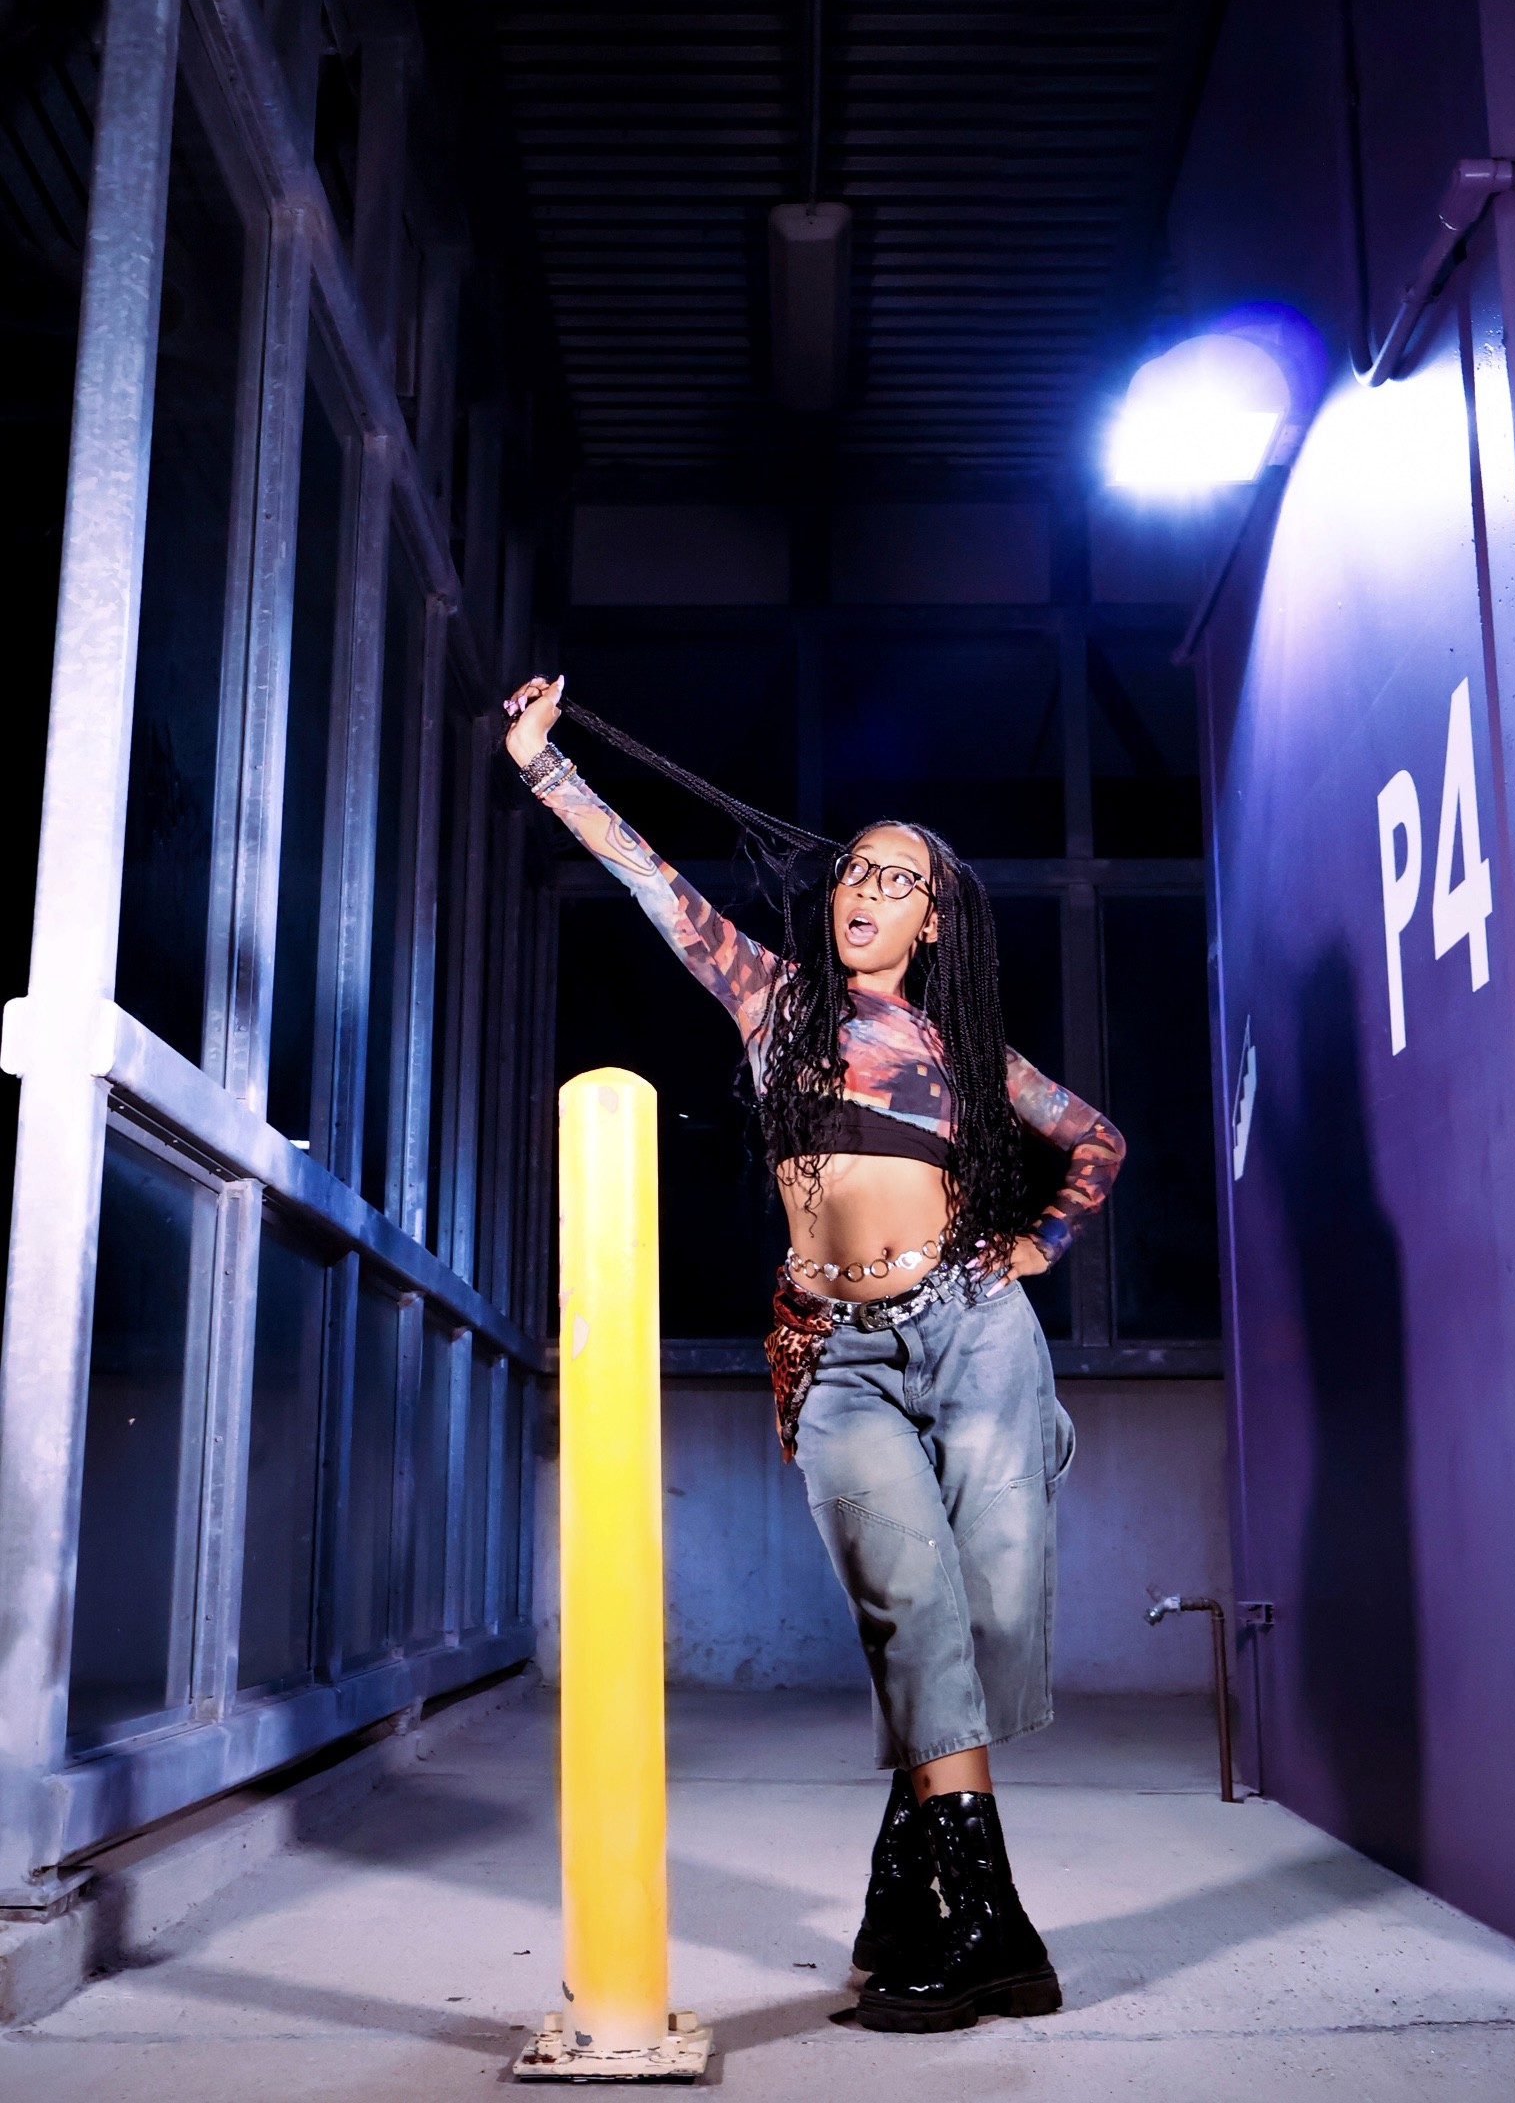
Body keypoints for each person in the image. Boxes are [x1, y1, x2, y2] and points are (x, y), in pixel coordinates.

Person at [503, 673, 1125, 2034]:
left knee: (987, 1624)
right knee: (912, 1605)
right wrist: (547, 768)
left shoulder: (966, 1051)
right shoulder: (772, 998)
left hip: (974, 1336)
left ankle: (911, 1904)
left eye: (898, 881)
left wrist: (1038, 1246)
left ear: (933, 919)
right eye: (855, 871)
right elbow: (652, 881)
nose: (865, 892)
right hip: (836, 1352)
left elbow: (1097, 1139)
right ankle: (994, 1930)